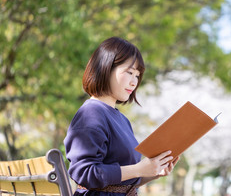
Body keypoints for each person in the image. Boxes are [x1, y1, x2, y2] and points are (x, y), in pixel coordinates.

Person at [64, 37, 179, 196]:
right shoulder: (91, 113)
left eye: (137, 75)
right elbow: (84, 173)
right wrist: (139, 168)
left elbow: (123, 180)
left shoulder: (122, 119)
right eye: (129, 72)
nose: (134, 82)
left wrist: (153, 171)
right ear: (106, 68)